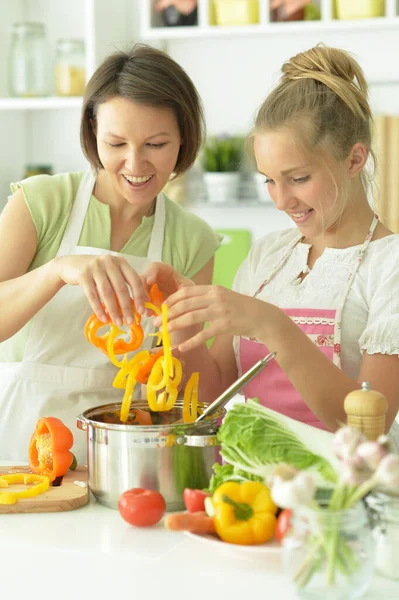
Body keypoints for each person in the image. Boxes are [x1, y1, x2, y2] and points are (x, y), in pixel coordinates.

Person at [144, 44, 399, 445]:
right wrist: (180, 315)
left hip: (342, 497)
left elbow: (369, 430)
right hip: (252, 489)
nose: (281, 201)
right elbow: (213, 395)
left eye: (297, 179)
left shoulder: (390, 266)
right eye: (269, 180)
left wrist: (273, 325)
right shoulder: (268, 256)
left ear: (354, 160)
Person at [0, 43, 221, 463]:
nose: (134, 164)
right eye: (116, 143)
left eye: (156, 144)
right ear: (92, 132)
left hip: (124, 454)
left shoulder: (193, 238)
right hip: (17, 443)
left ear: (183, 139)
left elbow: (201, 396)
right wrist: (57, 270)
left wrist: (181, 317)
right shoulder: (41, 202)